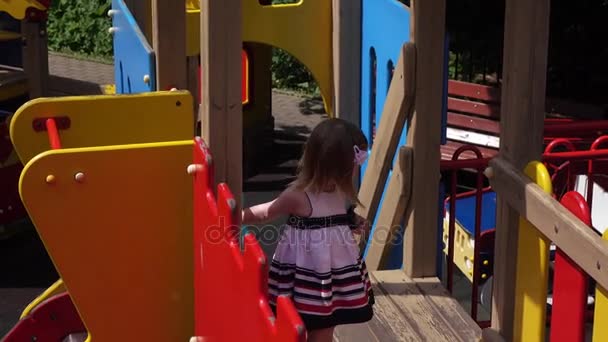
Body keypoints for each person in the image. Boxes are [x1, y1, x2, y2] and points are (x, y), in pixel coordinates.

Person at [242, 118, 375, 342]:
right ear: (339, 167)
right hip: (306, 274)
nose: (356, 169)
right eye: (355, 164)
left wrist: (352, 221)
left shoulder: (338, 189)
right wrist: (238, 215)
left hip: (333, 272)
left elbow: (334, 218)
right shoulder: (299, 195)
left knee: (325, 325)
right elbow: (266, 212)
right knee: (304, 324)